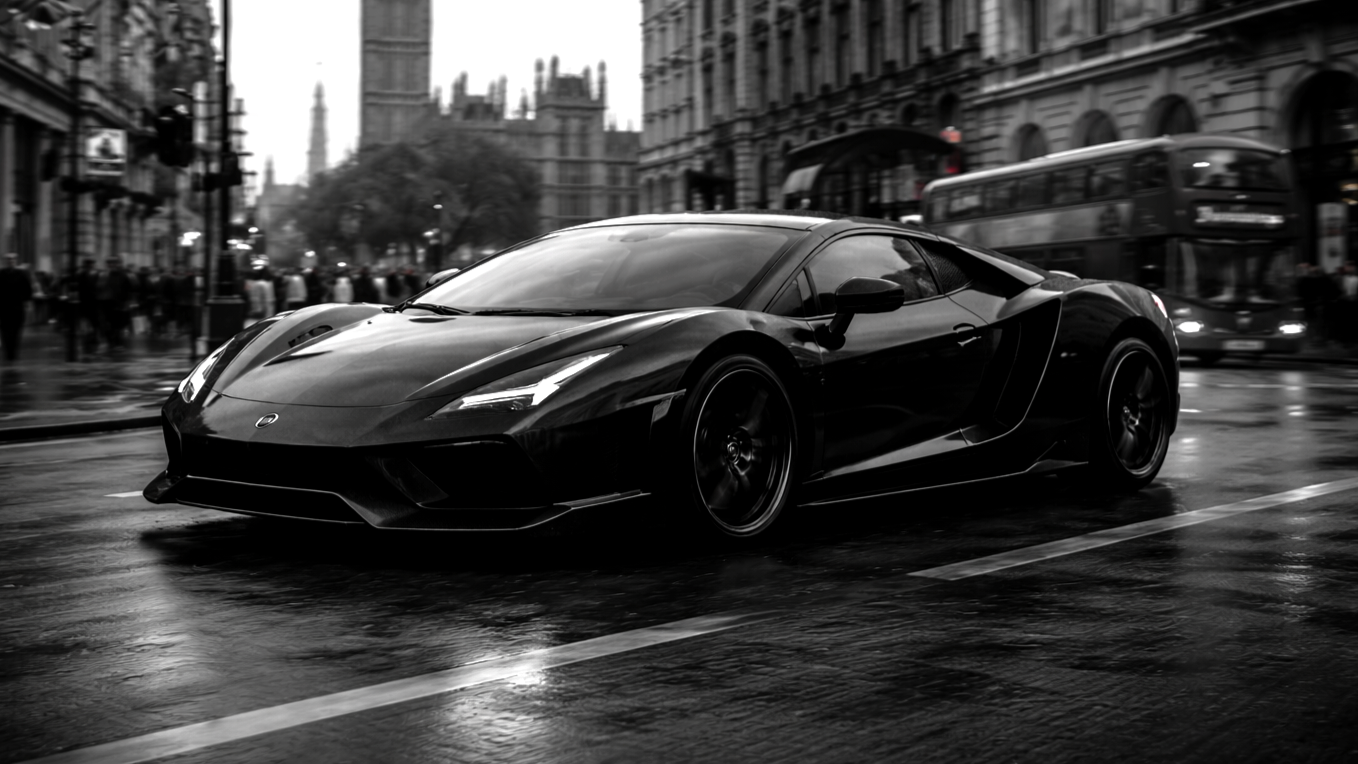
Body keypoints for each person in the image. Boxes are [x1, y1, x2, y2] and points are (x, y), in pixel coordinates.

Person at [0, 253, 33, 361]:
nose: (11, 261)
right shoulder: (2, 274)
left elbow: (28, 289)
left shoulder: (21, 274)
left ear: (15, 261)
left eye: (13, 259)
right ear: (6, 261)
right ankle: (8, 352)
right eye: (9, 259)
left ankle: (13, 352)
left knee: (16, 331)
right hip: (4, 308)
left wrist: (26, 302)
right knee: (5, 331)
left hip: (17, 307)